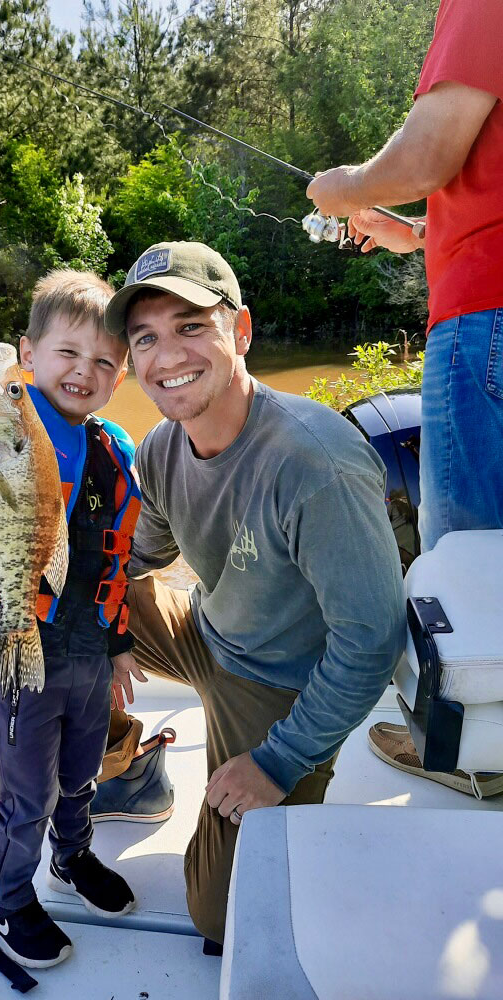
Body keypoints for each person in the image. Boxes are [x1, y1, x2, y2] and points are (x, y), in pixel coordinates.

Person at [103, 240, 405, 945]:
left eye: (190, 327)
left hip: (283, 687)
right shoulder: (161, 446)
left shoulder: (316, 464)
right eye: (145, 338)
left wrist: (277, 761)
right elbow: (138, 556)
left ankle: (280, 778)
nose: (167, 356)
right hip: (206, 632)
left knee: (223, 921)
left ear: (240, 331)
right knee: (57, 608)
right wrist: (84, 611)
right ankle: (121, 769)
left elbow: (372, 643)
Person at [307, 0, 503, 795]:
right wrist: (415, 233)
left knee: (467, 554)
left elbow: (428, 155)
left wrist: (343, 187)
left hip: (483, 315)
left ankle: (479, 754)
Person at [0, 269, 143, 969]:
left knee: (81, 774)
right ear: (27, 355)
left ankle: (70, 857)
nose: (84, 371)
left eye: (104, 361)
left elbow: (113, 562)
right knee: (28, 792)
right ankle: (10, 894)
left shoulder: (114, 450)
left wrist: (118, 644)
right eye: (67, 353)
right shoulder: (19, 419)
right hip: (20, 644)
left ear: (121, 375)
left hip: (88, 655)